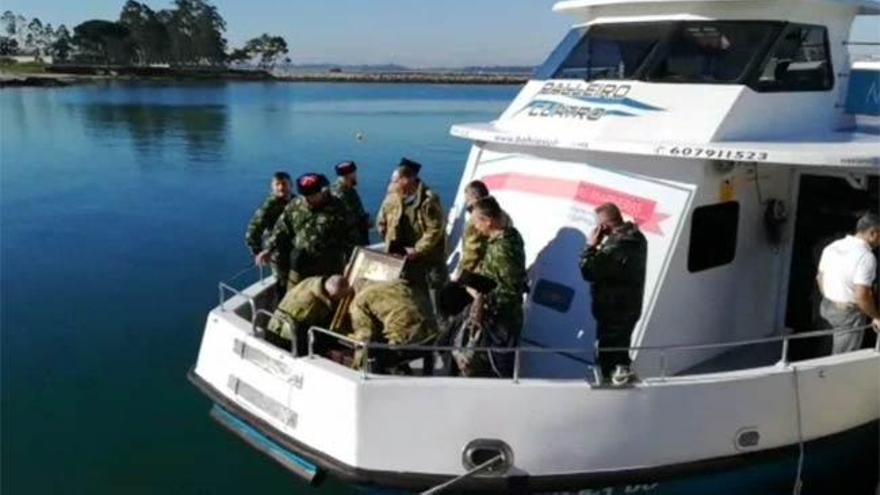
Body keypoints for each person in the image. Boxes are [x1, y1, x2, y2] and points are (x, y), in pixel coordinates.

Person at [579, 202, 647, 386]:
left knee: (609, 358)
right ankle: (620, 378)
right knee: (619, 353)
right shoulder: (637, 238)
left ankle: (611, 387)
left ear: (604, 225)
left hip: (614, 311)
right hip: (627, 308)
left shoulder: (618, 245)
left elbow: (588, 271)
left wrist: (590, 246)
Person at [256, 173, 355, 289]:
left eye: (312, 196)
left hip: (328, 266)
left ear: (322, 192)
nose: (307, 200)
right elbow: (281, 229)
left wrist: (351, 262)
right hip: (300, 264)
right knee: (295, 299)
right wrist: (269, 249)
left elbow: (351, 237)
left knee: (326, 300)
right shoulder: (296, 205)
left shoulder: (339, 208)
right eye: (304, 196)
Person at [468, 196, 527, 377]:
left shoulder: (502, 249)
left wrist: (479, 294)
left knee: (501, 365)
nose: (476, 227)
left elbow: (509, 289)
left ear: (488, 221)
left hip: (503, 319)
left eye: (477, 222)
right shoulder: (508, 235)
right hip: (498, 317)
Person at [376, 158, 448, 306]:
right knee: (406, 298)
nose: (393, 185)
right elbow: (381, 222)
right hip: (401, 257)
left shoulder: (428, 200)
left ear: (407, 179)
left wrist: (417, 250)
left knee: (435, 299)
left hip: (428, 258)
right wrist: (391, 245)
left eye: (396, 181)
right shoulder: (392, 198)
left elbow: (435, 229)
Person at [817, 212, 880, 354]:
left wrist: (832, 299)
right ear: (873, 233)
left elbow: (820, 278)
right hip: (848, 316)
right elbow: (861, 296)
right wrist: (876, 317)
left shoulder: (832, 246)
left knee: (824, 352)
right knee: (842, 359)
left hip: (826, 307)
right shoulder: (866, 256)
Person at [348, 279, 438, 373]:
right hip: (432, 334)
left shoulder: (359, 300)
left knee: (376, 359)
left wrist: (356, 364)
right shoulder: (395, 283)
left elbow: (365, 336)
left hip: (407, 341)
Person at [267, 275, 351, 355]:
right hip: (284, 334)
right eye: (341, 297)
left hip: (274, 322)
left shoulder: (312, 281)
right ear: (333, 296)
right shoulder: (312, 305)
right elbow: (304, 328)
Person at [245, 172, 293, 298]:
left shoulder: (296, 201)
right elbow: (253, 231)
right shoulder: (269, 206)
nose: (281, 187)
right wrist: (257, 252)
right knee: (282, 284)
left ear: (291, 186)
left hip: (294, 249)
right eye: (277, 184)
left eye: (284, 184)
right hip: (277, 252)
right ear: (272, 187)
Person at [459, 180, 512, 274]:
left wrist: (461, 274)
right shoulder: (500, 213)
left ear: (474, 199)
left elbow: (471, 253)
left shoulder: (476, 221)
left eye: (467, 200)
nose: (467, 204)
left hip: (482, 269)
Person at [330, 160, 370, 246]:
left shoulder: (349, 190)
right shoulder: (338, 194)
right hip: (348, 242)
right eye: (354, 173)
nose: (356, 176)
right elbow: (346, 219)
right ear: (349, 175)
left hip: (355, 238)